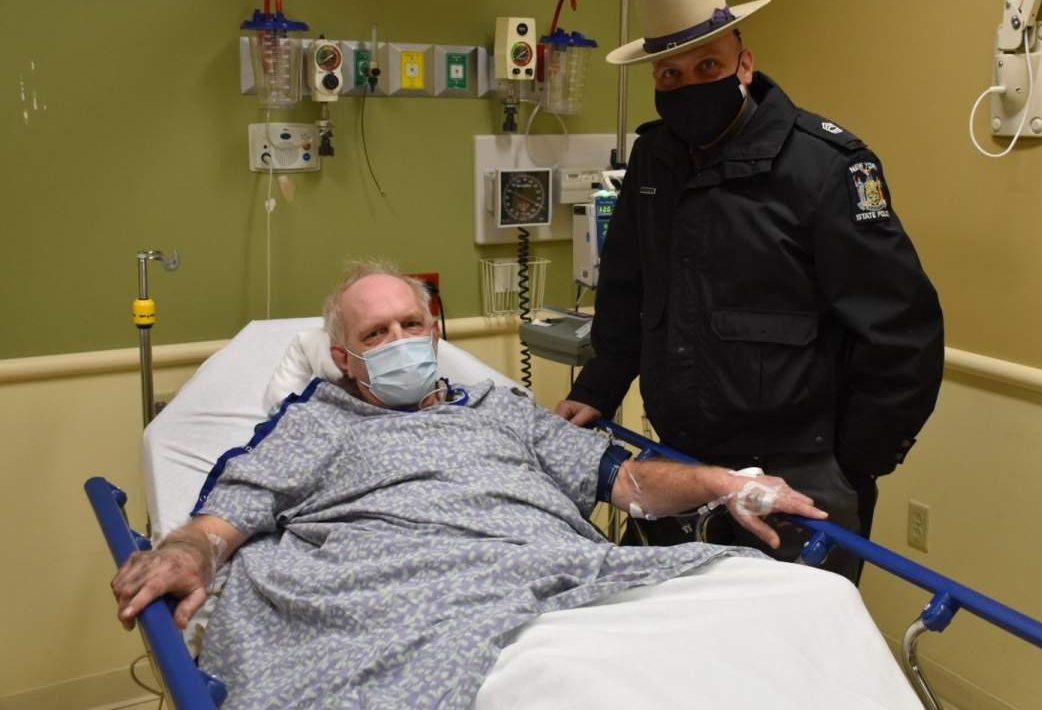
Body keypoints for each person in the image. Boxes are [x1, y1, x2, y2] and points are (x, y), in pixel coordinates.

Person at [110, 261, 829, 709]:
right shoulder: (315, 422)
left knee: (805, 596)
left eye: (411, 324)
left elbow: (623, 478)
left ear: (434, 329)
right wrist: (188, 554)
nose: (399, 341)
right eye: (376, 335)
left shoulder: (499, 407)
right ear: (343, 358)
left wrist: (722, 481)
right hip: (404, 590)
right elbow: (229, 513)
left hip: (560, 573)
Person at [555, 0, 945, 582]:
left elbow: (903, 330)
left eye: (707, 66)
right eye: (671, 74)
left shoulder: (822, 166)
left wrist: (854, 462)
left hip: (799, 467)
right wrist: (597, 388)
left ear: (743, 62)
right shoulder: (654, 160)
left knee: (783, 659)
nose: (689, 85)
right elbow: (628, 290)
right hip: (680, 459)